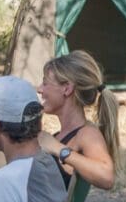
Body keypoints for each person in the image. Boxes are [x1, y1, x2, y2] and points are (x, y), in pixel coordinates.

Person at [38, 49, 121, 192]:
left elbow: (107, 177)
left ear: (67, 89)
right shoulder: (61, 135)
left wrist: (58, 149)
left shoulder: (86, 134)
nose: (40, 89)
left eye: (45, 83)